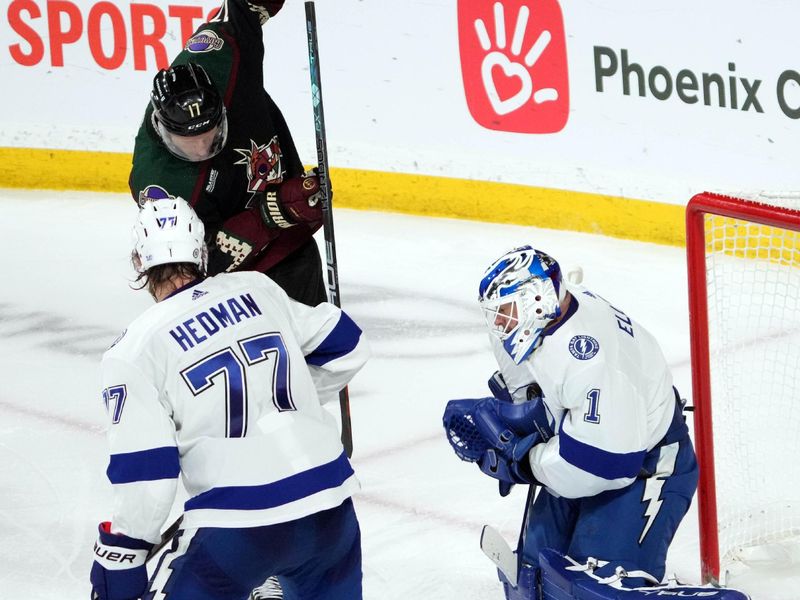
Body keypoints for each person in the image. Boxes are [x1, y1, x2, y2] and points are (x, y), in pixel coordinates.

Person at [89, 198, 369, 600]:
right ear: (202, 252)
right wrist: (289, 405)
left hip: (238, 529)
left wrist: (122, 559)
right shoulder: (255, 287)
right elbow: (348, 345)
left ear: (138, 262)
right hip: (330, 508)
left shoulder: (133, 352)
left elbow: (148, 475)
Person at [443, 245, 699, 599]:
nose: (500, 323)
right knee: (534, 571)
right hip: (590, 445)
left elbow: (606, 466)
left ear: (537, 299)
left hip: (646, 467)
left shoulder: (592, 361)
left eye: (505, 312)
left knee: (596, 587)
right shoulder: (547, 318)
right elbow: (538, 393)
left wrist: (522, 463)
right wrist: (519, 424)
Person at [130, 0, 328, 307]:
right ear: (163, 130)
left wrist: (284, 215)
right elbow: (182, 277)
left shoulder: (226, 63)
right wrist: (272, 213)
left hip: (291, 248)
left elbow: (245, 8)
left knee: (317, 347)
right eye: (187, 141)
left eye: (208, 134)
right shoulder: (161, 184)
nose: (201, 148)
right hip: (229, 287)